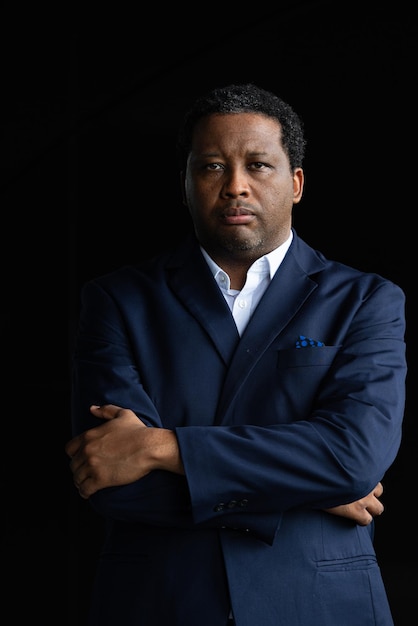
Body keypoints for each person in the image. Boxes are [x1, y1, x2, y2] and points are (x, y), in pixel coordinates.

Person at [65, 83, 407, 626]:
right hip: (161, 603)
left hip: (320, 605)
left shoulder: (366, 300)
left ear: (295, 184)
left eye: (258, 165)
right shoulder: (117, 301)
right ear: (186, 184)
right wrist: (308, 493)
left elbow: (353, 458)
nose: (235, 187)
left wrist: (160, 446)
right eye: (211, 167)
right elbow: (112, 480)